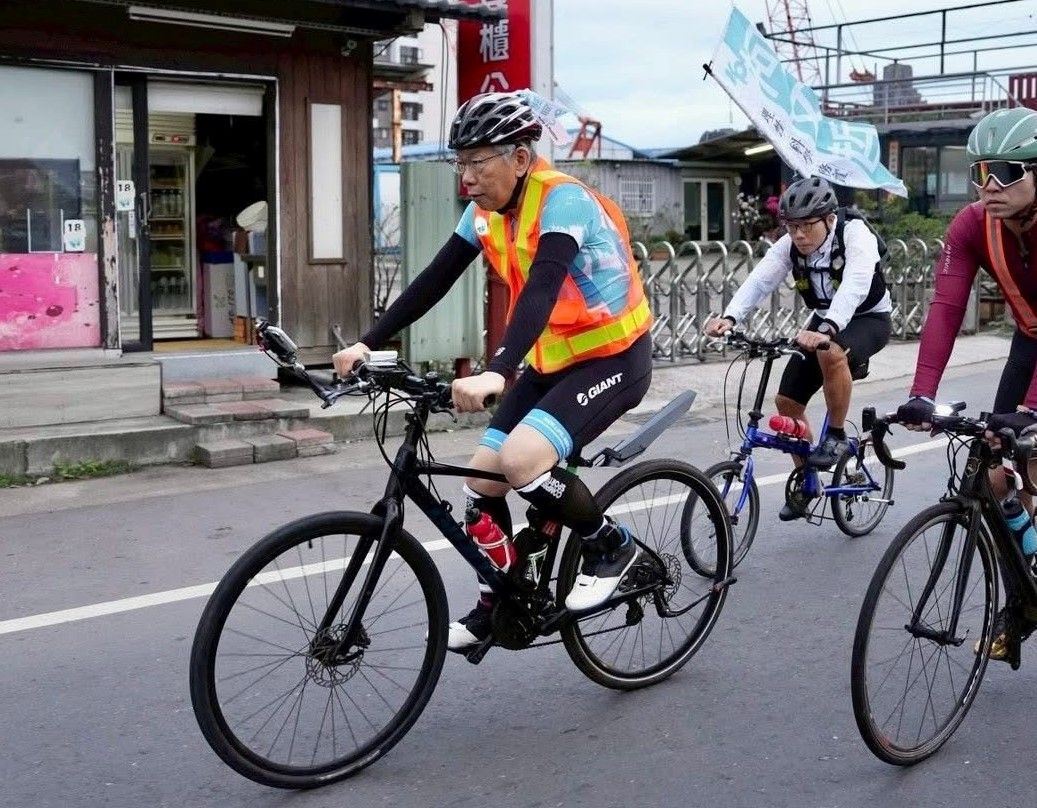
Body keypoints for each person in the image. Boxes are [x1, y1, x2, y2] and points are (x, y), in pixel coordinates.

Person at [332, 91, 653, 650]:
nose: (467, 177)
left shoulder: (564, 201)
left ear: (521, 159)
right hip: (552, 360)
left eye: (479, 162)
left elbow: (542, 287)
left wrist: (497, 371)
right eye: (461, 163)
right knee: (482, 481)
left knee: (522, 460)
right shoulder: (483, 213)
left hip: (613, 358)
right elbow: (434, 279)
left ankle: (611, 545)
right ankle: (501, 596)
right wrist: (366, 343)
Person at [894, 107, 1037, 662]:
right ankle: (1026, 597)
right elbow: (948, 306)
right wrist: (921, 392)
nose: (990, 186)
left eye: (1007, 171)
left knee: (1032, 452)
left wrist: (1031, 412)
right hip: (1029, 341)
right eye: (980, 172)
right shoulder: (972, 224)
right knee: (998, 470)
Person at [703, 176, 892, 520]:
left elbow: (856, 283)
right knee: (787, 402)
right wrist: (730, 318)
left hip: (868, 319)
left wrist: (830, 327)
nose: (799, 235)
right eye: (792, 227)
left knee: (829, 351)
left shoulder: (854, 235)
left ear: (829, 219)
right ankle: (808, 482)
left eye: (807, 226)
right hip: (823, 322)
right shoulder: (790, 245)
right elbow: (761, 279)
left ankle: (835, 436)